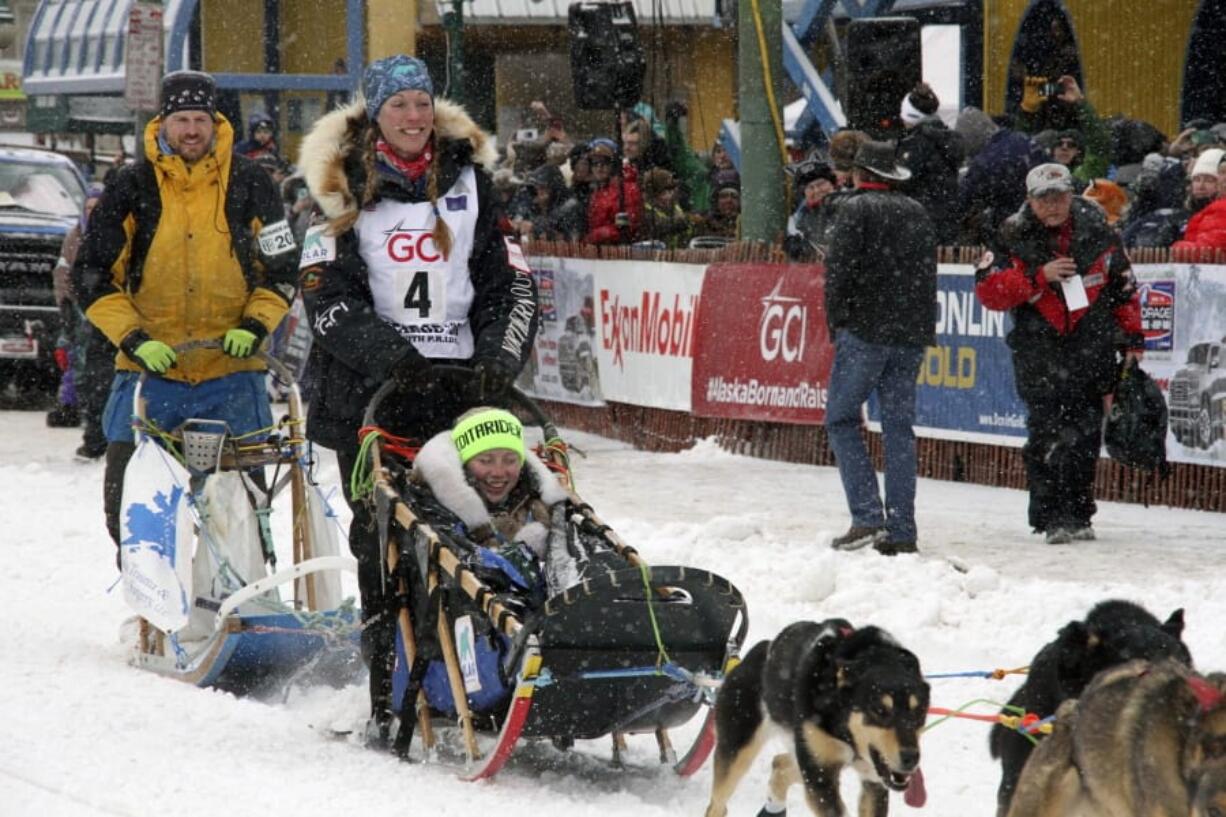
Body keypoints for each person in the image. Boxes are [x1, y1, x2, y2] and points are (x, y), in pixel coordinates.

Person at [296, 54, 538, 740]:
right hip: (370, 395)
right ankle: (390, 674)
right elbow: (325, 296)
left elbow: (509, 282)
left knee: (478, 521)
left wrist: (495, 358)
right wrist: (395, 360)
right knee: (383, 537)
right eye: (399, 105)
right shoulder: (338, 185)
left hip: (463, 386)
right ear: (375, 114)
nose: (413, 116)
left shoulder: (472, 182)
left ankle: (486, 657)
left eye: (422, 103)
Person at [72, 70, 298, 559]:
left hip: (232, 374)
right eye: (181, 120)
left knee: (243, 508)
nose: (191, 130)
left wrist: (255, 325)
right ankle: (155, 599)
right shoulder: (131, 185)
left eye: (200, 119)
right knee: (129, 506)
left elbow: (282, 272)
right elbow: (90, 276)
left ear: (215, 123)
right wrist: (133, 339)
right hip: (148, 374)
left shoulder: (251, 182)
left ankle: (242, 599)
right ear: (163, 123)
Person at [975, 163, 1143, 544]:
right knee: (1046, 431)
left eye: (1059, 197)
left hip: (1092, 345)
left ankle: (1080, 513)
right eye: (1044, 199)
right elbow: (988, 291)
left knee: (1085, 434)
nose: (1053, 205)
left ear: (1071, 195)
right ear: (1030, 200)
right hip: (1039, 348)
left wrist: (1134, 339)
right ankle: (1050, 516)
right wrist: (1039, 277)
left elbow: (1125, 288)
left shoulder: (1100, 232)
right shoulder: (1009, 234)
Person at [824, 141, 937, 556]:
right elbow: (927, 275)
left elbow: (839, 274)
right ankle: (902, 528)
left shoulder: (855, 211)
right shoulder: (918, 211)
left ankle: (868, 516)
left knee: (840, 419)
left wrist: (837, 323)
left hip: (867, 332)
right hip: (911, 334)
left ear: (858, 174)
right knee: (898, 431)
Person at [410, 407, 618, 607]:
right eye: (485, 461)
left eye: (510, 460)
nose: (499, 472)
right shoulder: (440, 512)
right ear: (464, 463)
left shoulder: (542, 507)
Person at [51, 184, 115, 459]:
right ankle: (80, 417)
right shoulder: (75, 236)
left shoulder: (113, 235)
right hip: (81, 311)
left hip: (107, 313)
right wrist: (66, 302)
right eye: (88, 208)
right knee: (80, 368)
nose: (92, 212)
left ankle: (102, 435)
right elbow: (63, 272)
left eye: (96, 208)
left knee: (102, 375)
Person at [896, 83, 964, 244]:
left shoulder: (916, 144)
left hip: (919, 220)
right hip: (947, 218)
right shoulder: (948, 139)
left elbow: (903, 179)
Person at [583, 138, 642, 244]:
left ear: (614, 165)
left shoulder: (627, 190)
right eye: (595, 163)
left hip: (622, 252)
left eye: (605, 163)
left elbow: (626, 228)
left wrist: (594, 236)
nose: (599, 168)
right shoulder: (597, 190)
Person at [784, 158, 838, 261]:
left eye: (820, 184)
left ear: (832, 183)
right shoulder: (798, 219)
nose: (817, 190)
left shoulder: (852, 204)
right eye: (810, 187)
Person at [639, 167, 692, 249]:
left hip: (679, 255)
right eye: (665, 192)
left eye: (671, 190)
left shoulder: (675, 205)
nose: (669, 195)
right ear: (654, 193)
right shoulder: (646, 210)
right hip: (656, 257)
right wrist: (686, 220)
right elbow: (660, 227)